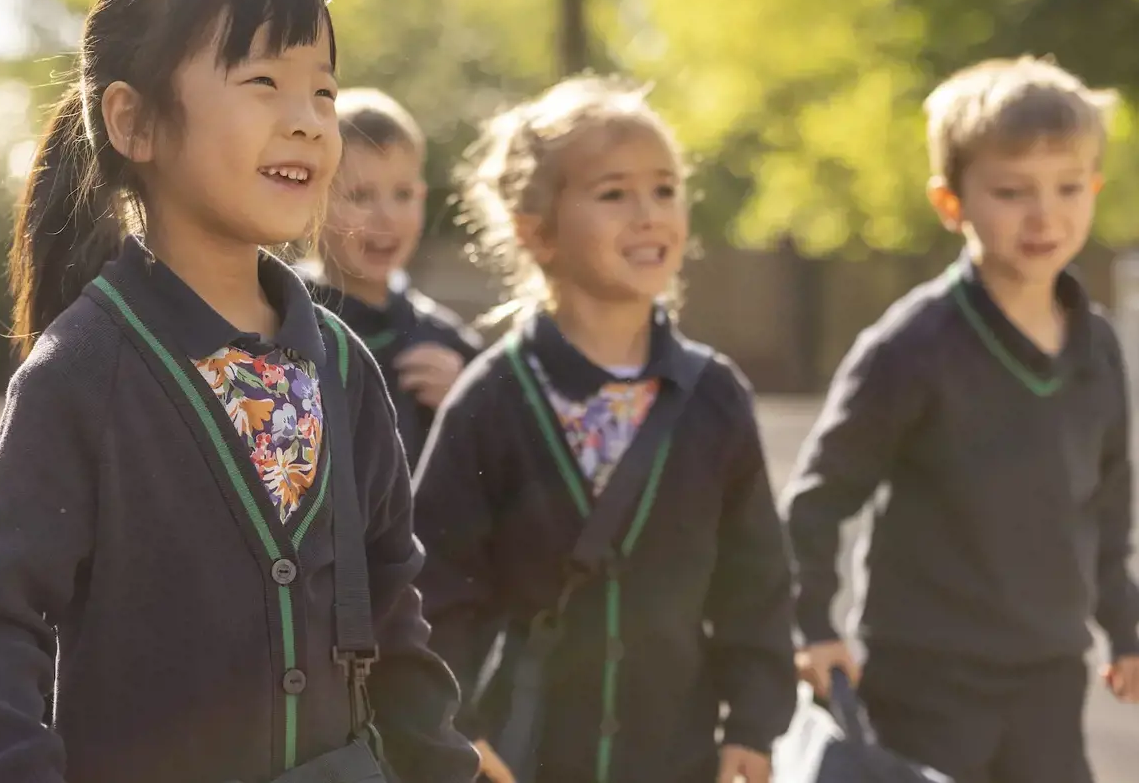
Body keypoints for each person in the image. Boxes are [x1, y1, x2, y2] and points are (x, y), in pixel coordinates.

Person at [0, 0, 477, 783]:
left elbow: (397, 618)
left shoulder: (341, 367)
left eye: (324, 93)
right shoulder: (85, 369)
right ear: (135, 123)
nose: (307, 123)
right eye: (263, 81)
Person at [412, 75, 796, 783]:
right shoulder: (492, 401)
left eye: (665, 190)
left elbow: (757, 583)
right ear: (537, 231)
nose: (649, 214)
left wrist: (753, 722)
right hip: (523, 760)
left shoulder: (715, 397)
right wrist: (456, 730)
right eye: (614, 194)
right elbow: (437, 588)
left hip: (678, 758)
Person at [781, 56, 1139, 783]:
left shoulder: (1096, 344)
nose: (1045, 214)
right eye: (1012, 192)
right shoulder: (910, 348)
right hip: (926, 682)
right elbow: (818, 499)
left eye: (1068, 187)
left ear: (1094, 188)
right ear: (952, 203)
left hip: (1048, 675)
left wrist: (1124, 627)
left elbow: (1105, 505)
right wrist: (812, 623)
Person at [301, 88, 481, 470]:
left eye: (403, 195)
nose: (387, 218)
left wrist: (465, 404)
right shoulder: (283, 322)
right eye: (360, 196)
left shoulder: (448, 343)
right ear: (309, 200)